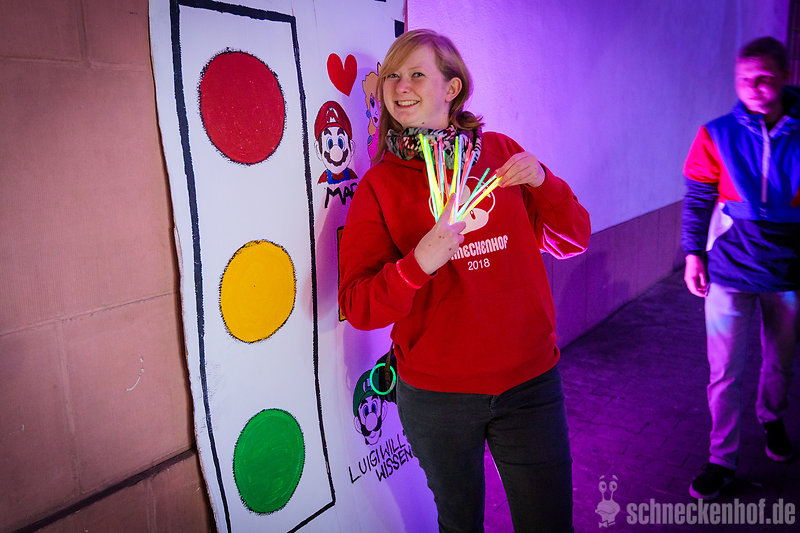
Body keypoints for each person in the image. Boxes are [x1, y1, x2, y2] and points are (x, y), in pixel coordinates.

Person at [338, 29, 590, 532]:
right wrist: (417, 264)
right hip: (438, 399)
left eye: (416, 74)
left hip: (530, 385)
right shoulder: (380, 184)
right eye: (392, 75)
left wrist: (544, 181)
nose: (400, 86)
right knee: (459, 524)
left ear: (452, 88)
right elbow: (359, 305)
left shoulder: (501, 153)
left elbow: (574, 237)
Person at [682, 36, 800, 501]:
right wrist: (694, 253)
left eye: (764, 77)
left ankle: (771, 418)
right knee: (725, 370)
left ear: (786, 76)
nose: (753, 87)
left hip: (788, 273)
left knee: (780, 362)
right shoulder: (716, 134)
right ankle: (721, 459)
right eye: (744, 79)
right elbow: (698, 196)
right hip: (729, 270)